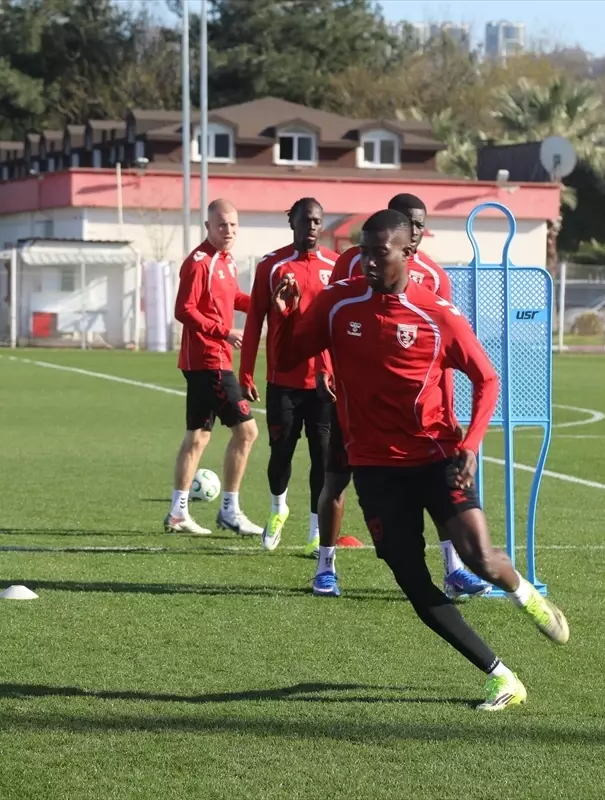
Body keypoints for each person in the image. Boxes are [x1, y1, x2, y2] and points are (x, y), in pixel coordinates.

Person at [272, 209, 570, 711]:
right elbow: (292, 355)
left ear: (409, 253)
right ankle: (502, 678)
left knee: (480, 557)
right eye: (362, 250)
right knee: (413, 581)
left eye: (377, 251)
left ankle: (525, 594)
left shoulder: (439, 316)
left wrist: (471, 443)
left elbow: (488, 379)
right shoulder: (338, 305)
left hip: (436, 456)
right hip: (374, 467)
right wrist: (289, 313)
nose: (365, 261)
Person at [319, 192, 490, 599]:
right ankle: (326, 564)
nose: (415, 230)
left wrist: (450, 414)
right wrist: (326, 367)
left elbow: (444, 357)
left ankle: (454, 569)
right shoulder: (356, 263)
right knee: (335, 482)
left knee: (437, 492)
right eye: (409, 221)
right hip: (356, 405)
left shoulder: (434, 275)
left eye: (420, 224)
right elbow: (330, 320)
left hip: (417, 420)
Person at [238, 198, 339, 552]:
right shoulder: (272, 266)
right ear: (292, 223)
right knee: (280, 453)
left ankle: (316, 529)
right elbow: (254, 322)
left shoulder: (336, 266)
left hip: (325, 383)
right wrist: (246, 371)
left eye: (317, 222)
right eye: (305, 221)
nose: (311, 227)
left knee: (323, 457)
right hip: (283, 379)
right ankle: (278, 509)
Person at [165, 199, 263, 537]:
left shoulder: (227, 262)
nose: (229, 231)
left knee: (198, 437)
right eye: (222, 225)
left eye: (234, 225)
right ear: (208, 226)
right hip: (209, 360)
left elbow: (233, 297)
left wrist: (265, 306)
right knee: (247, 432)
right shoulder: (198, 262)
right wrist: (223, 331)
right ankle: (230, 511)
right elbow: (184, 309)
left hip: (212, 360)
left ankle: (178, 513)